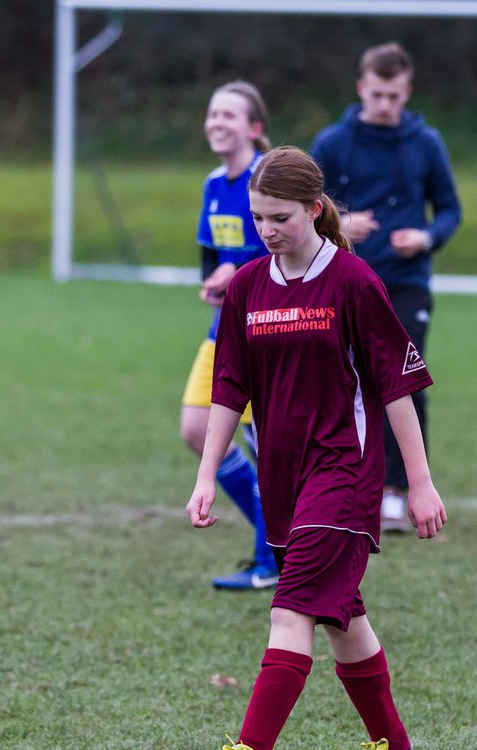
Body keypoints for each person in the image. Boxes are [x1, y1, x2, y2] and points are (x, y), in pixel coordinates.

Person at [186, 146, 447, 750]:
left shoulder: (355, 283)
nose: (266, 229)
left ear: (312, 208)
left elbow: (397, 388)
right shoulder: (247, 285)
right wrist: (207, 473)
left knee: (293, 606)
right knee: (341, 617)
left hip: (344, 471)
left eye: (278, 217)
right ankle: (394, 747)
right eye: (256, 218)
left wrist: (418, 482)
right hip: (281, 476)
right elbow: (228, 387)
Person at [310, 42, 461, 532]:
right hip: (346, 280)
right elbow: (303, 208)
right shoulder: (333, 142)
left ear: (407, 92)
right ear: (361, 89)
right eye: (377, 94)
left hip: (406, 283)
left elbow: (451, 210)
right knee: (345, 382)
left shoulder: (426, 142)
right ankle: (350, 484)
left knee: (404, 381)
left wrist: (427, 236)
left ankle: (399, 490)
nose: (385, 105)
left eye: (394, 96)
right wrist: (342, 226)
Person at [182, 81, 279, 590]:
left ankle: (271, 560)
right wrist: (215, 282)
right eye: (212, 113)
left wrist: (233, 273)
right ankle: (271, 543)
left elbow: (282, 253)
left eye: (229, 115)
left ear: (254, 128)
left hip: (270, 331)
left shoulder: (270, 182)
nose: (217, 122)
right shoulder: (214, 184)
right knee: (196, 431)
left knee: (267, 444)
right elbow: (211, 254)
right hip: (224, 329)